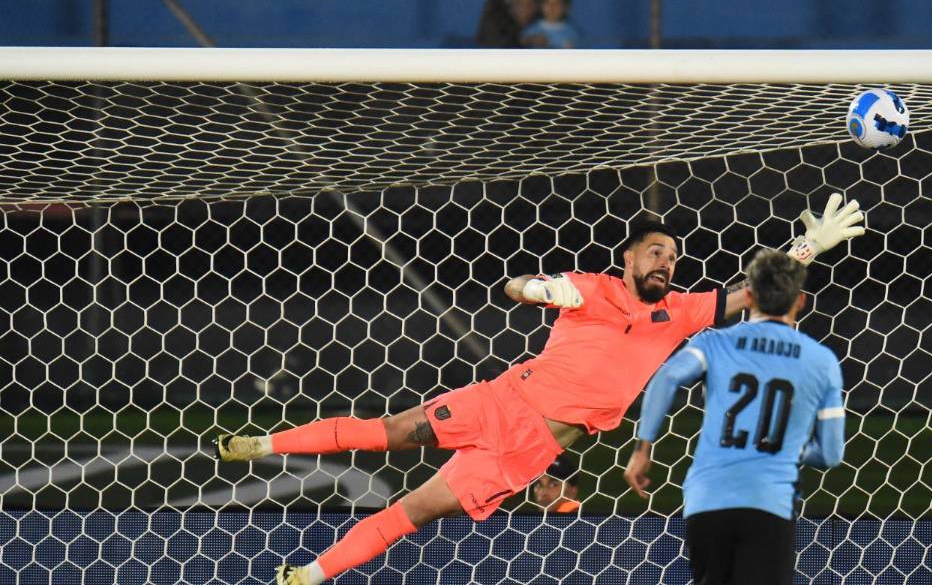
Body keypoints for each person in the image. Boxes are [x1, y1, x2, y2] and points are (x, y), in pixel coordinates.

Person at [214, 194, 863, 585]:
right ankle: (259, 442)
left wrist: (813, 244)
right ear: (629, 259)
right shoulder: (592, 288)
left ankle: (310, 574)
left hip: (521, 454)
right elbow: (514, 287)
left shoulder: (683, 313)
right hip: (502, 398)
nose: (668, 261)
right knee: (389, 432)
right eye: (656, 252)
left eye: (673, 256)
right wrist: (540, 288)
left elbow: (762, 291)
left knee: (410, 513)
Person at [623, 248, 847, 585]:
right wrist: (793, 449)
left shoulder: (715, 343)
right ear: (800, 301)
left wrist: (643, 449)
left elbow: (667, 378)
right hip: (770, 503)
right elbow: (831, 454)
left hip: (708, 501)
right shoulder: (822, 360)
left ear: (749, 295)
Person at [521, 0, 585, 49]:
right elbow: (522, 40)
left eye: (557, 2)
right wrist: (531, 41)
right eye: (547, 2)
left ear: (566, 7)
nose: (551, 7)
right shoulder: (532, 29)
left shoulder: (573, 33)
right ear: (540, 5)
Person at [476, 0, 541, 48]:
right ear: (509, 7)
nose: (525, 9)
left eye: (530, 4)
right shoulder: (494, 17)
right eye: (519, 3)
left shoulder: (544, 13)